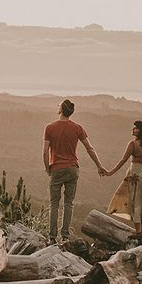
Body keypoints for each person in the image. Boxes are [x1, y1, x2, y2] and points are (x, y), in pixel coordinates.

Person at [43, 99, 105, 243]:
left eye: (58, 105)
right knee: (69, 203)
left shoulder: (50, 127)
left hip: (56, 168)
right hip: (72, 169)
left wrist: (48, 168)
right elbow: (89, 148)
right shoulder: (77, 128)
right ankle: (65, 236)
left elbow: (45, 152)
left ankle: (52, 238)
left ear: (61, 110)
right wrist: (99, 166)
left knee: (54, 203)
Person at [103, 120, 142, 243]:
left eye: (135, 128)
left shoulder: (133, 144)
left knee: (135, 202)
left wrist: (110, 172)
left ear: (141, 131)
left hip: (136, 174)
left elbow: (123, 160)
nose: (132, 130)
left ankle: (138, 232)